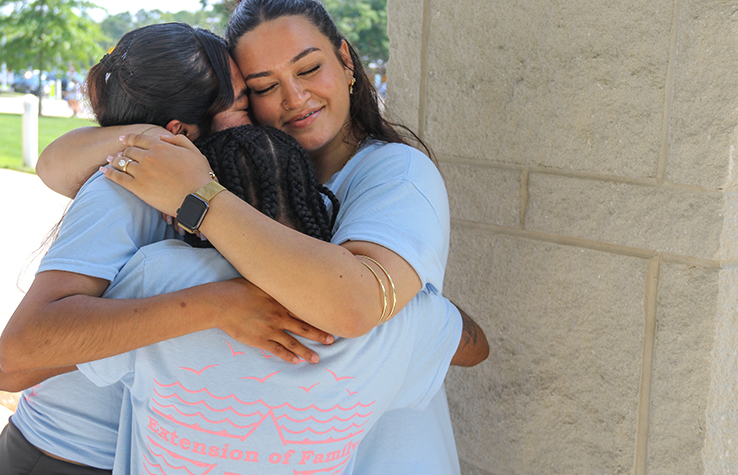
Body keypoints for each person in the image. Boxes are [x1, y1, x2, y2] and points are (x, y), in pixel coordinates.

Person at [30, 0, 490, 471]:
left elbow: (355, 303)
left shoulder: (395, 173)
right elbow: (53, 164)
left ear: (346, 60)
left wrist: (197, 200)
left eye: (309, 68)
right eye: (263, 87)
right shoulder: (232, 163)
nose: (293, 97)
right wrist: (162, 144)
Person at [0, 23, 332, 475]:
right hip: (64, 459)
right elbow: (13, 361)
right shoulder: (124, 195)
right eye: (243, 104)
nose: (260, 116)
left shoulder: (227, 190)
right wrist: (213, 308)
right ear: (175, 132)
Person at [78, 125, 462, 473]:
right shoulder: (394, 325)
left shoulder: (156, 277)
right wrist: (413, 300)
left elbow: (61, 348)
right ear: (322, 203)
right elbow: (473, 346)